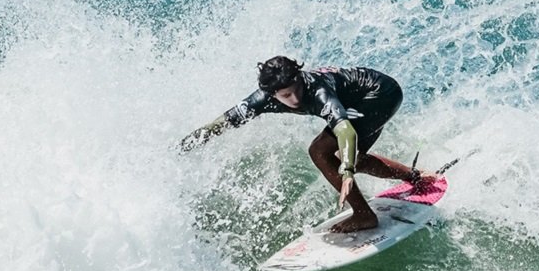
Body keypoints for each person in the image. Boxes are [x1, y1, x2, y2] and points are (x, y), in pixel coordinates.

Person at [180, 56, 436, 233]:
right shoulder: (263, 99)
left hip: (380, 95)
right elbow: (226, 120)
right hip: (364, 99)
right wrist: (188, 144)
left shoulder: (317, 92)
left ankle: (364, 215)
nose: (294, 99)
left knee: (320, 151)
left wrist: (346, 172)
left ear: (299, 77)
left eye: (295, 89)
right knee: (354, 158)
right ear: (272, 94)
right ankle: (416, 179)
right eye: (285, 96)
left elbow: (344, 129)